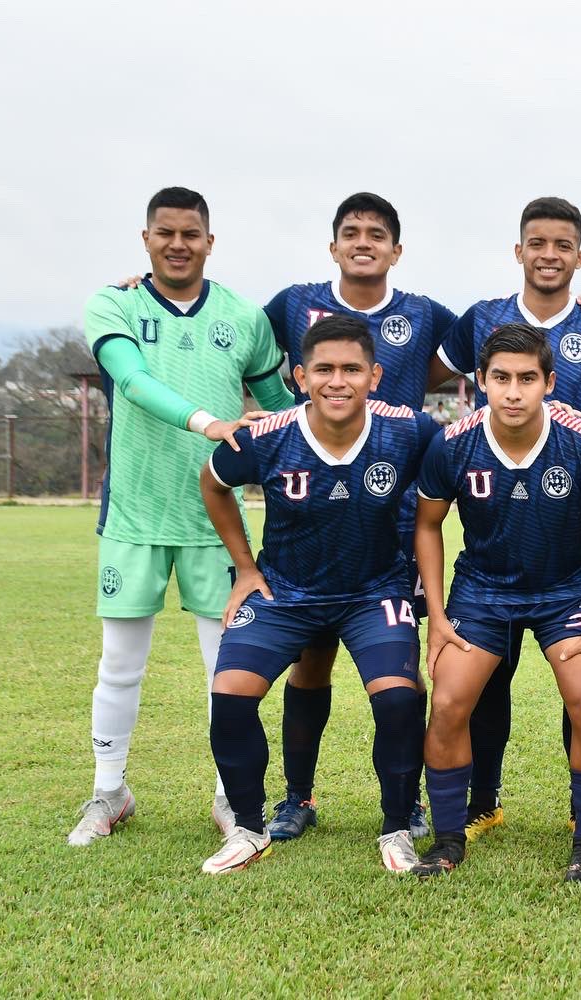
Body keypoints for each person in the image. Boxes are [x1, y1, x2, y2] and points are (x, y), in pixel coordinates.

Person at [68, 186, 293, 847]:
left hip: (213, 523)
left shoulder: (244, 316)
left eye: (190, 233)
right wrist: (209, 422)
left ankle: (231, 797)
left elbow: (281, 408)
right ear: (146, 239)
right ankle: (109, 793)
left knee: (226, 666)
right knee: (120, 662)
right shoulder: (113, 302)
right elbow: (131, 380)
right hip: (135, 516)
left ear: (209, 241)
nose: (177, 243)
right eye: (164, 232)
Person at [431, 196, 581, 846]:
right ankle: (481, 801)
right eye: (537, 243)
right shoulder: (484, 319)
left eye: (562, 245)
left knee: (575, 681)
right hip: (494, 532)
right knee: (485, 681)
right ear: (519, 251)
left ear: (580, 256)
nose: (549, 255)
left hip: (572, 535)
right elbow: (427, 371)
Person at [197, 316, 441, 873]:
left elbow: (459, 465)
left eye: (352, 369)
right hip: (285, 589)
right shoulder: (268, 434)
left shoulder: (409, 431)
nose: (338, 381)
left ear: (375, 376)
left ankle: (398, 825)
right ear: (301, 376)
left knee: (400, 697)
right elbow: (213, 483)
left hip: (372, 589)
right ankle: (250, 827)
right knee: (230, 694)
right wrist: (243, 567)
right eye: (324, 369)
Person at [260, 192, 456, 844]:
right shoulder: (294, 303)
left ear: (396, 250)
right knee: (310, 661)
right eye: (352, 232)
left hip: (395, 516)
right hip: (310, 514)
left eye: (377, 233)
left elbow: (500, 337)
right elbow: (235, 339)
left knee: (400, 669)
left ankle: (409, 801)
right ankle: (298, 797)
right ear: (334, 245)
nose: (363, 241)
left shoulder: (423, 315)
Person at [413, 324, 581, 885]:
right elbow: (428, 527)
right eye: (500, 378)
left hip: (565, 590)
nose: (513, 391)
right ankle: (448, 839)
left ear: (549, 383)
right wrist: (436, 618)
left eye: (527, 378)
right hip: (483, 589)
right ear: (480, 381)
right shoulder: (452, 443)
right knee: (450, 701)